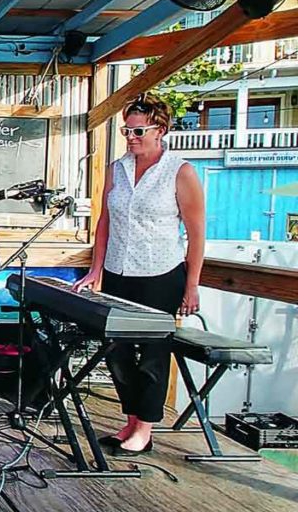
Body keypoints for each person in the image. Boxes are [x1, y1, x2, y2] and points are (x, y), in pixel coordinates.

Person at [73, 93, 205, 456]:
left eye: (137, 131)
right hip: (118, 270)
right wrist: (95, 270)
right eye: (126, 131)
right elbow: (104, 221)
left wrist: (191, 285)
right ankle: (131, 418)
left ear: (160, 130)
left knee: (151, 353)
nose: (130, 137)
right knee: (115, 349)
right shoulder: (117, 168)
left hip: (160, 274)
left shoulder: (180, 171)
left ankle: (144, 428)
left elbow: (196, 233)